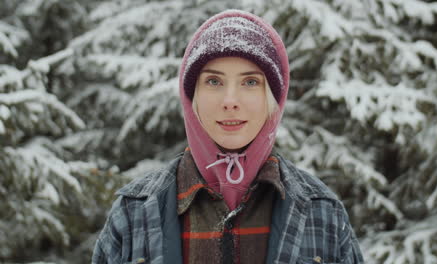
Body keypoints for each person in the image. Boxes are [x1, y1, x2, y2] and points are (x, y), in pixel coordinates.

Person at [92, 9, 364, 264]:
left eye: (250, 82)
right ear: (192, 96)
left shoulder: (323, 212)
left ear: (273, 98)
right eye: (214, 81)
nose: (230, 101)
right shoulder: (133, 212)